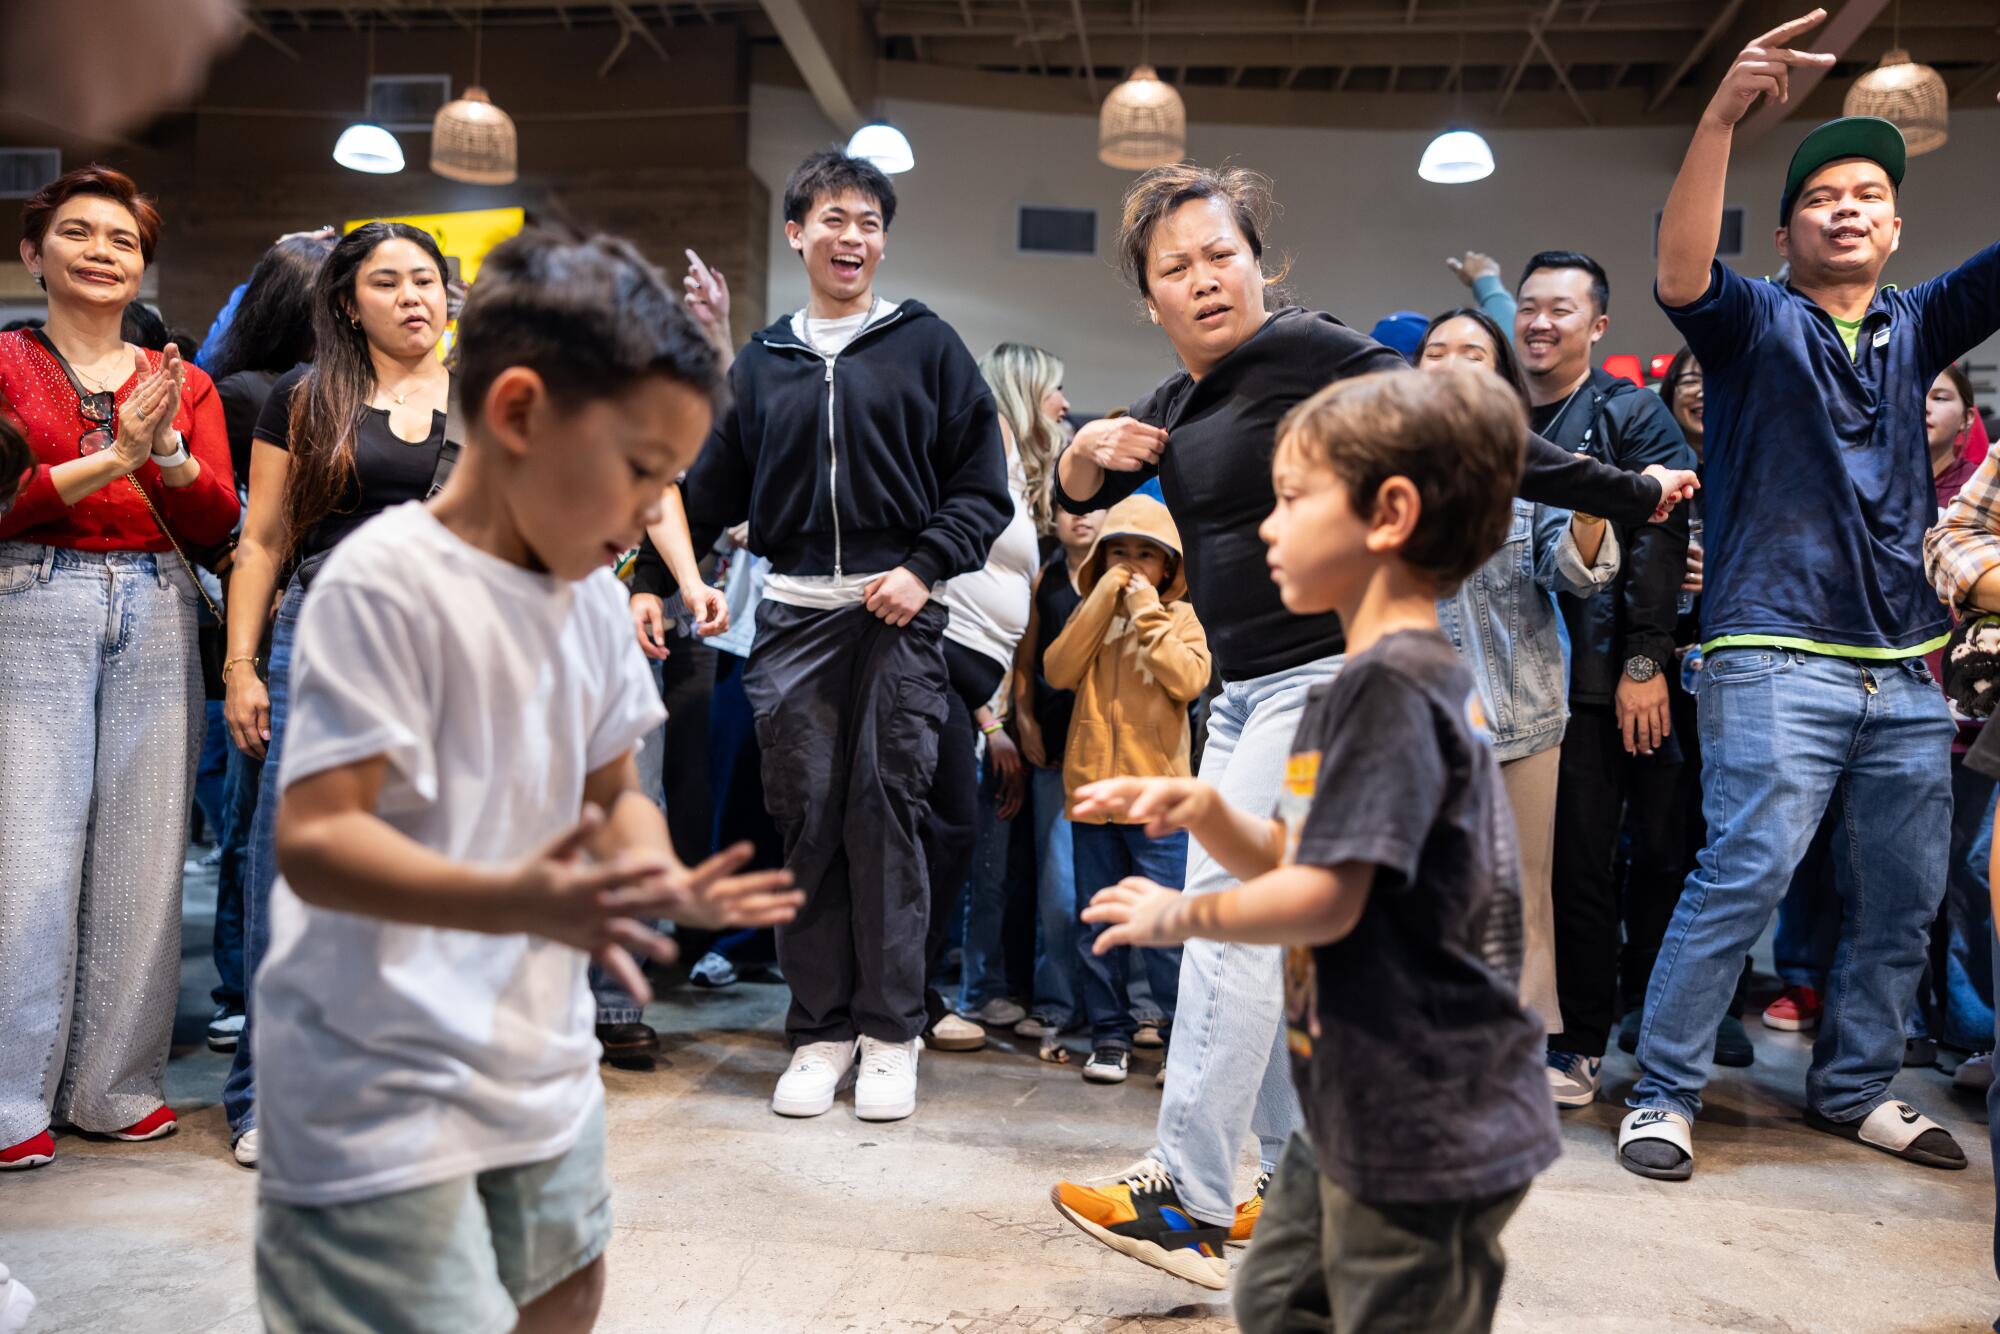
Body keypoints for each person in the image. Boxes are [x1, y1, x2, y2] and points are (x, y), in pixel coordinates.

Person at [1045, 161, 1694, 1283]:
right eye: (1175, 268)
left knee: (1226, 926)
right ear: (1147, 296)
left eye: (1220, 255)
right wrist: (1079, 453)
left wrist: (1622, 490)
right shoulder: (1174, 402)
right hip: (1238, 694)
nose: (1204, 281)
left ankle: (1189, 1197)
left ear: (1257, 263)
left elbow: (1460, 429)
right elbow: (1080, 500)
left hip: (1326, 678)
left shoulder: (1309, 350)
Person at [248, 228, 801, 1334]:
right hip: (378, 1076)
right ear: (515, 415)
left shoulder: (591, 595)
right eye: (638, 470)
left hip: (537, 1057)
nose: (651, 509)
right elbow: (317, 839)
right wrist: (521, 896)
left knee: (566, 1283)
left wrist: (650, 870)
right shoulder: (386, 582)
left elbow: (615, 787)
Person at [1070, 367, 1560, 1329]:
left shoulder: (1399, 693)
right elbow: (1295, 850)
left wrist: (1179, 912)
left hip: (1423, 1125)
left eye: (1290, 502)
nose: (1263, 528)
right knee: (1286, 1300)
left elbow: (1323, 898)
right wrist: (1207, 812)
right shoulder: (1346, 693)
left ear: (1389, 516)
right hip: (1347, 1110)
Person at [1624, 5, 2000, 1180]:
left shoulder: (1919, 319)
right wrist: (1723, 112)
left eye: (1866, 195)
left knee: (1898, 897)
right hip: (1766, 647)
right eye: (1821, 195)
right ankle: (1664, 1090)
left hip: (1899, 661)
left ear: (1893, 225)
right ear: (1786, 228)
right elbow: (1678, 270)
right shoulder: (1750, 323)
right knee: (1741, 871)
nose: (1845, 206)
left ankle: (1852, 1087)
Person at [676, 149, 1010, 1123]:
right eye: (831, 218)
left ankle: (891, 1031)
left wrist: (920, 567)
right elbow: (705, 493)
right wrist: (663, 570)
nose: (850, 236)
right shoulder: (764, 359)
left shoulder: (927, 346)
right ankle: (820, 1031)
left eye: (867, 220)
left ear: (882, 239)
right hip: (789, 618)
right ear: (796, 234)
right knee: (807, 818)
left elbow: (980, 487)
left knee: (884, 814)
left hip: (898, 613)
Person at [0, 165, 238, 1171]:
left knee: (145, 854)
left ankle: (113, 1082)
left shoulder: (183, 381)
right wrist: (117, 455)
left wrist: (170, 452)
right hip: (32, 598)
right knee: (30, 850)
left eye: (122, 241)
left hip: (156, 603)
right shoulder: (6, 362)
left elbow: (221, 519)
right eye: (78, 233)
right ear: (32, 252)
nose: (101, 253)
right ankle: (11, 1092)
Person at [218, 221, 453, 1168]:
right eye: (387, 281)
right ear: (347, 301)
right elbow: (263, 542)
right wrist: (240, 667)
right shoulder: (302, 397)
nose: (411, 297)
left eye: (426, 280)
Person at [1514, 249, 1699, 1106]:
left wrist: (1641, 663)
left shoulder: (1629, 414)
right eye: (1528, 307)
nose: (1540, 323)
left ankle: (1580, 1039)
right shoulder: (1499, 412)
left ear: (1597, 325)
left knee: (1582, 865)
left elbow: (1660, 543)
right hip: (1502, 675)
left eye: (1560, 308)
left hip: (1592, 680)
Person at [1418, 307, 1621, 1034]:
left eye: (1471, 351)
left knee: (1516, 899)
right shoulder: (1376, 467)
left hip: (1520, 717)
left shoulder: (1530, 470)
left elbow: (1574, 573)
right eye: (1434, 351)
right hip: (1412, 722)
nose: (1449, 361)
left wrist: (1594, 501)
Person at [194, 228, 335, 1056]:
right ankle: (240, 987)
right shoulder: (267, 392)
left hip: (283, 609)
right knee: (255, 818)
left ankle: (247, 988)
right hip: (266, 612)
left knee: (258, 811)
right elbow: (263, 533)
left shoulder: (263, 382)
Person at [1045, 494, 1209, 1083]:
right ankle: (1109, 1037)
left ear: (1170, 565)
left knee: (1164, 930)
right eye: (1120, 553)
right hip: (1093, 798)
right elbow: (1058, 671)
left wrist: (1145, 610)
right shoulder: (1091, 615)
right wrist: (1100, 600)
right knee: (1099, 928)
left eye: (1147, 555)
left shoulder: (1182, 620)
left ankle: (1176, 1042)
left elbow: (1189, 680)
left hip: (1158, 803)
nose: (1133, 565)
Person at [1013, 504, 1102, 1044]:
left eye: (1095, 508)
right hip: (1055, 754)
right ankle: (1057, 1001)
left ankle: (1139, 1007)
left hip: (1121, 757)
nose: (1082, 519)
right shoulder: (1045, 576)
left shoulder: (1134, 573)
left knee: (1121, 886)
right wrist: (1022, 719)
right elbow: (1026, 662)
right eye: (1071, 509)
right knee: (1059, 890)